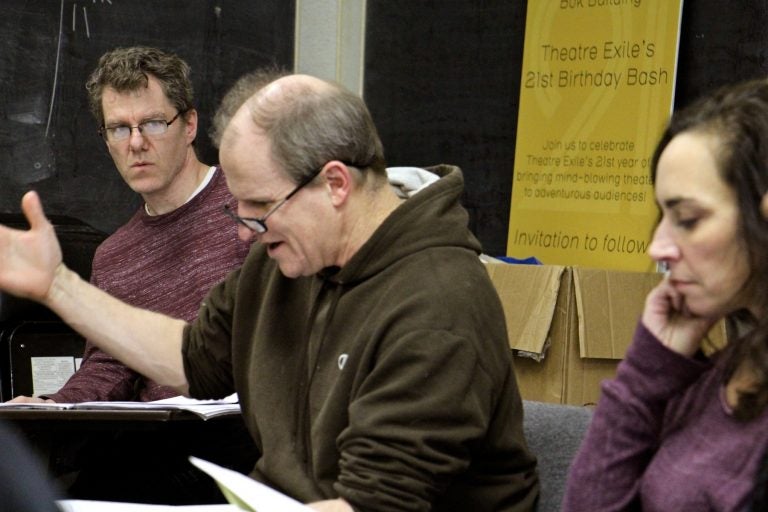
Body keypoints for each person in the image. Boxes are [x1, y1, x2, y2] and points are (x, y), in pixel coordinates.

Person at [0, 69, 539, 511]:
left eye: (260, 207)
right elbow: (190, 356)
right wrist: (58, 287)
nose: (243, 230)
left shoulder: (436, 303)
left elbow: (372, 505)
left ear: (334, 184)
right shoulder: (284, 262)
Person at [9, 46, 256, 504]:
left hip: (245, 437)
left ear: (190, 125)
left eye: (153, 123)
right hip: (154, 443)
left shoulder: (252, 207)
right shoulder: (114, 254)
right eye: (119, 128)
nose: (136, 143)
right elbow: (108, 365)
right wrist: (54, 404)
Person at [562, 78, 768, 511]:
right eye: (662, 217)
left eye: (688, 219)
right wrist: (646, 374)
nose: (658, 248)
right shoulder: (727, 368)